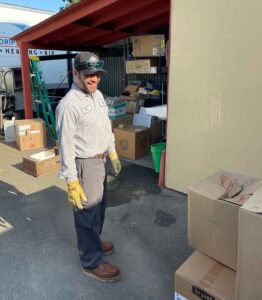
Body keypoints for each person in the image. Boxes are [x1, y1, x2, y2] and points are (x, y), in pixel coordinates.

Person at [55, 52, 121, 283]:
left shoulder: (98, 95)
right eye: (88, 74)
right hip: (83, 165)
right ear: (75, 73)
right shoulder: (68, 105)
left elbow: (106, 125)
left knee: (99, 209)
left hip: (99, 161)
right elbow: (65, 146)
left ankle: (92, 242)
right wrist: (72, 181)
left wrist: (111, 151)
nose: (94, 79)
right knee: (87, 213)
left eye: (96, 74)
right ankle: (91, 262)